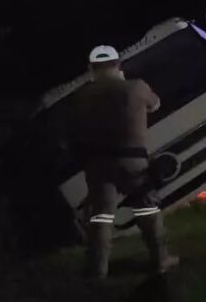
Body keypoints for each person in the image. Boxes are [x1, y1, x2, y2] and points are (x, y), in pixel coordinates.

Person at [72, 45, 178, 279]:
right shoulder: (135, 87)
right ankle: (161, 260)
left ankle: (98, 271)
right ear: (118, 64)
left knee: (101, 217)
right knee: (147, 210)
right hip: (133, 160)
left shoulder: (82, 96)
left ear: (91, 68)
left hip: (98, 163)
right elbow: (155, 104)